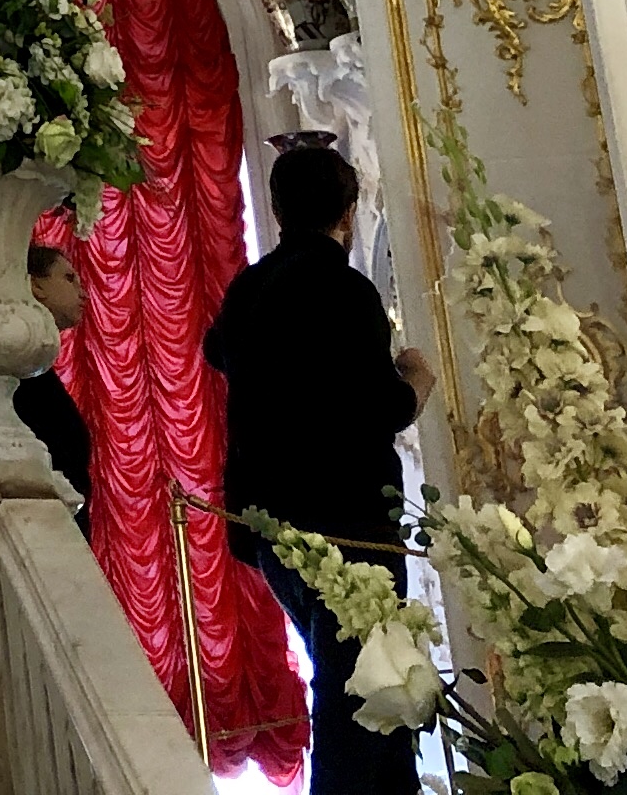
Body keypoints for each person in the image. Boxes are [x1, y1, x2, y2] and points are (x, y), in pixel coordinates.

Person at [203, 143, 427, 795]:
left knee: (363, 681)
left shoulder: (250, 287)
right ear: (349, 212)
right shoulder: (344, 289)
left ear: (277, 212)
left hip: (272, 528)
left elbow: (217, 350)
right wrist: (418, 378)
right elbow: (383, 409)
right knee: (363, 691)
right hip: (348, 525)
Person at [17, 240, 95, 534]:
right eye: (68, 278)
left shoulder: (35, 369)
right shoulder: (20, 371)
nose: (83, 293)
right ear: (35, 285)